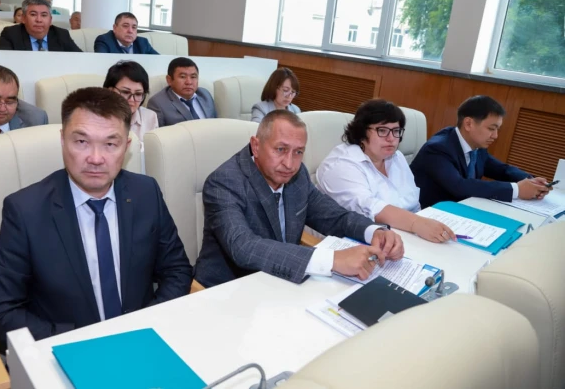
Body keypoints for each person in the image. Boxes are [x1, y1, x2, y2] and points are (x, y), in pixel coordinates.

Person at [0, 87, 192, 351]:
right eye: (81, 142)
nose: (95, 158)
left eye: (110, 144)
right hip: (68, 350)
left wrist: (148, 322)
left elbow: (177, 270)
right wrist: (79, 340)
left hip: (143, 341)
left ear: (126, 147)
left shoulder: (146, 192)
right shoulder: (25, 211)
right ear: (62, 140)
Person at [194, 110, 404, 287]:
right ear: (256, 146)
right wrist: (333, 260)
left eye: (298, 152)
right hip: (229, 289)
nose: (289, 164)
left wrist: (374, 231)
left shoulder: (297, 174)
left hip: (282, 282)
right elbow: (244, 247)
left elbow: (333, 216)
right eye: (280, 149)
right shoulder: (224, 182)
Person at [317, 100, 456, 243]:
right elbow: (370, 209)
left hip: (407, 234)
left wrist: (423, 225)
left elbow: (413, 204)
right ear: (361, 132)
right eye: (382, 131)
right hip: (358, 240)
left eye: (396, 131)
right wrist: (417, 224)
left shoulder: (397, 157)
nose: (391, 139)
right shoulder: (341, 165)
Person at [411, 95, 552, 208]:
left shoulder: (476, 146)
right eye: (491, 129)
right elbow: (459, 186)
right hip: (430, 213)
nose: (495, 136)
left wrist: (530, 180)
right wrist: (517, 189)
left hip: (461, 208)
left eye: (497, 129)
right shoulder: (437, 149)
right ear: (468, 124)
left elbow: (502, 169)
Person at [147, 57, 216, 127]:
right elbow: (157, 132)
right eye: (183, 77)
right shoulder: (158, 103)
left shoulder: (205, 94)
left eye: (193, 77)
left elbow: (216, 124)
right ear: (169, 80)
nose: (189, 82)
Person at [0, 0, 81, 52]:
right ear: (23, 18)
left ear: (50, 20)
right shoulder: (11, 34)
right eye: (33, 14)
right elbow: (3, 64)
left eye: (44, 15)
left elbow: (80, 58)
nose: (39, 20)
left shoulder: (62, 34)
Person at [103, 61, 159, 142]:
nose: (132, 100)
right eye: (125, 92)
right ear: (110, 91)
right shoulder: (94, 117)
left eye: (138, 94)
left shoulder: (150, 117)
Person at [94, 12, 159, 54]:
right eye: (125, 26)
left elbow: (159, 60)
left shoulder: (143, 42)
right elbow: (103, 63)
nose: (130, 31)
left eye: (134, 27)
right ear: (115, 28)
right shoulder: (104, 41)